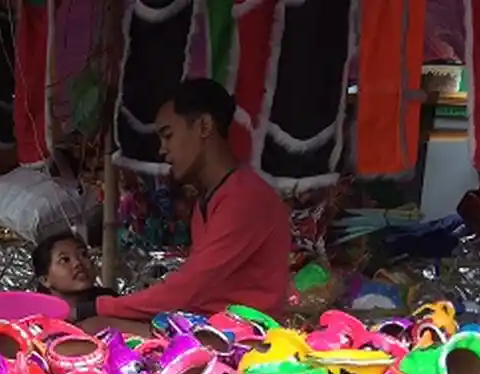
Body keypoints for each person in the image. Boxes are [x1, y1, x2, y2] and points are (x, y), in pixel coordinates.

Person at [74, 78, 291, 331]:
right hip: (209, 327)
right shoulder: (209, 201)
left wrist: (98, 306)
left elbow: (187, 289)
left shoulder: (246, 198)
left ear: (203, 126)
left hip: (245, 339)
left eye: (168, 135)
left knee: (96, 327)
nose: (163, 150)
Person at [33, 232, 116, 307]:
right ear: (45, 280)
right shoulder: (37, 320)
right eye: (65, 260)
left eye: (83, 254)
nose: (78, 263)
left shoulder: (112, 302)